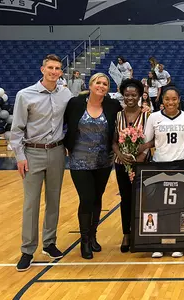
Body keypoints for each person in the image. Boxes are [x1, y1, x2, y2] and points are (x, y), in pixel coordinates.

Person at [11, 54, 72, 272]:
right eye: (50, 68)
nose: (54, 71)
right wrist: (19, 157)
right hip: (32, 152)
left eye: (57, 68)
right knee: (31, 203)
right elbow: (16, 129)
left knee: (54, 200)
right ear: (42, 69)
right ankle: (27, 250)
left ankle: (49, 243)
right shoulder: (24, 95)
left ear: (61, 72)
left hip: (56, 151)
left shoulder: (65, 94)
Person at [64, 73, 123, 259]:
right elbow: (63, 124)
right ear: (90, 85)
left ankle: (93, 235)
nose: (102, 86)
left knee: (97, 198)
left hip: (103, 161)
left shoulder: (113, 105)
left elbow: (125, 119)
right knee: (87, 198)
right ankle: (84, 240)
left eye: (105, 84)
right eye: (98, 82)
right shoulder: (75, 103)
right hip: (79, 160)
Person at [142, 86, 184, 258]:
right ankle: (157, 243)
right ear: (162, 100)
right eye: (167, 99)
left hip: (182, 165)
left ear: (179, 99)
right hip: (159, 166)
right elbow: (146, 144)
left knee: (180, 206)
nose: (170, 102)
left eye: (174, 99)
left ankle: (178, 241)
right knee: (159, 206)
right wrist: (135, 164)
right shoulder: (154, 117)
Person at [112, 79, 151, 253]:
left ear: (140, 95)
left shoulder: (148, 115)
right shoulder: (117, 115)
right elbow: (113, 140)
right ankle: (126, 233)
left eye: (133, 94)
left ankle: (142, 232)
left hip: (143, 164)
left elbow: (152, 140)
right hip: (122, 164)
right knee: (126, 199)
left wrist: (141, 155)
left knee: (143, 199)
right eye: (127, 94)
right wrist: (120, 154)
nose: (130, 98)